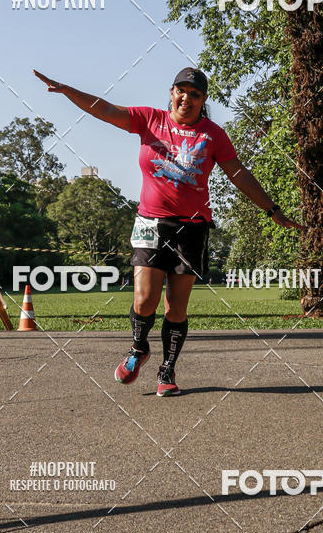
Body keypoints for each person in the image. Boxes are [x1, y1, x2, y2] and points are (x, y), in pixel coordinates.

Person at [34, 66, 304, 396]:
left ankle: (167, 369)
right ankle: (138, 348)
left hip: (192, 228)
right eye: (181, 90)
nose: (186, 98)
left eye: (194, 94)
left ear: (203, 100)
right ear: (171, 92)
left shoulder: (213, 135)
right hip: (150, 223)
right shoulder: (149, 120)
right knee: (145, 300)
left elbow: (239, 173)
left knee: (176, 307)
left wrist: (272, 209)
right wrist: (68, 90)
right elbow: (104, 109)